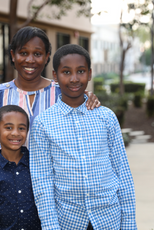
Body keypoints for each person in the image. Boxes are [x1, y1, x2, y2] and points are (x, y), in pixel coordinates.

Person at [29, 44, 137, 230]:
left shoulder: (106, 117)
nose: (74, 79)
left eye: (80, 71)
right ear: (55, 76)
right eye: (66, 72)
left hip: (109, 219)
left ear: (89, 73)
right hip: (68, 221)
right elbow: (42, 182)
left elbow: (123, 173)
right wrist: (51, 227)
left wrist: (128, 223)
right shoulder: (43, 123)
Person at [0, 26, 101, 172]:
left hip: (57, 183)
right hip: (12, 185)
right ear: (12, 55)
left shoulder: (63, 93)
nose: (30, 60)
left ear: (47, 56)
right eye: (23, 53)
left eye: (37, 53)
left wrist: (88, 98)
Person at [0, 105, 41, 230]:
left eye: (21, 128)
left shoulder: (38, 165)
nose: (15, 133)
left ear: (27, 132)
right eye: (9, 127)